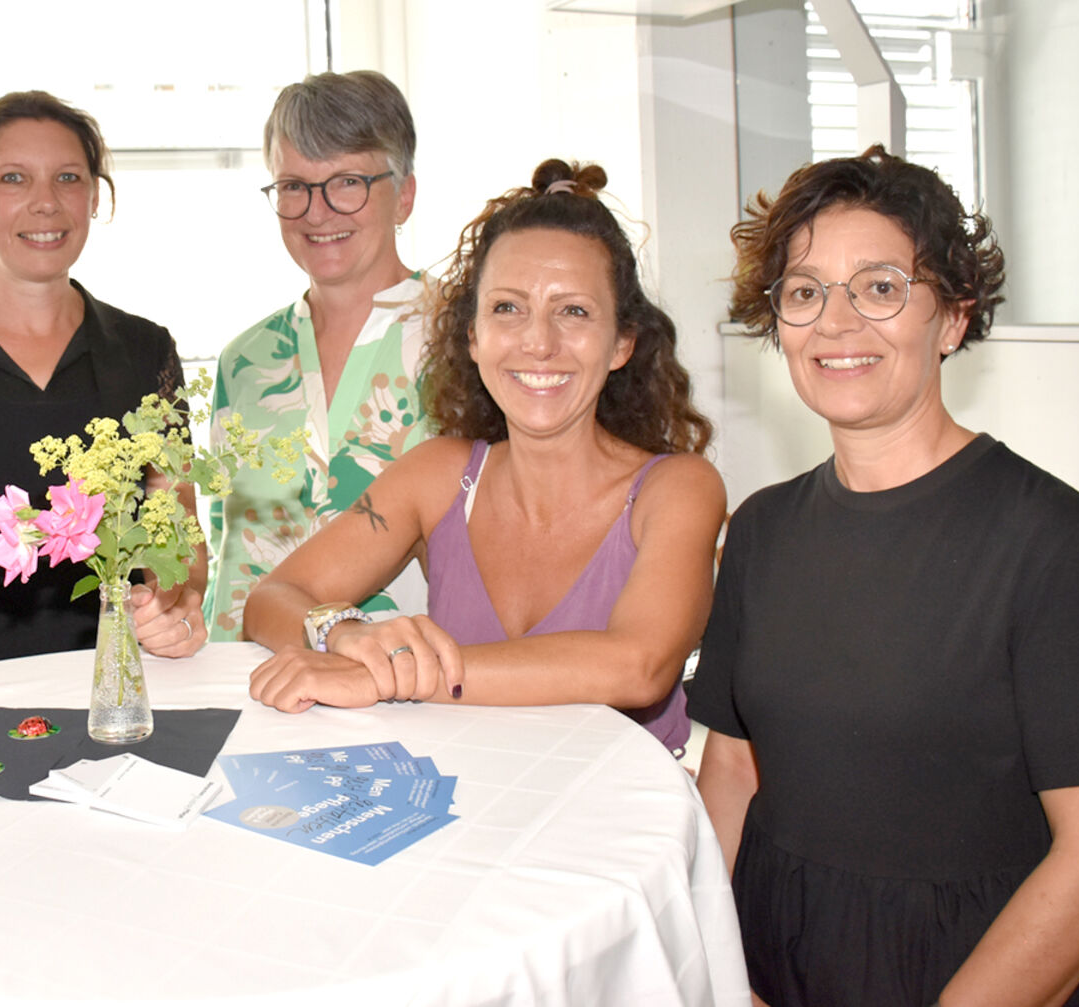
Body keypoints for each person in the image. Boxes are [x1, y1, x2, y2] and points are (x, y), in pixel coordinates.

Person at [690, 146, 1079, 1006]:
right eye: (804, 293)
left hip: (979, 972)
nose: (836, 323)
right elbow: (734, 769)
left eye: (880, 287)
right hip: (778, 959)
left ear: (952, 318)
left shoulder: (1056, 542)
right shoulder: (760, 530)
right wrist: (717, 969)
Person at [242, 159, 724, 756]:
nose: (538, 342)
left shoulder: (677, 488)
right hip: (469, 806)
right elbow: (272, 598)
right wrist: (342, 634)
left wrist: (392, 674)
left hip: (625, 827)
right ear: (472, 337)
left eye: (573, 311)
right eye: (507, 308)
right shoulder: (437, 475)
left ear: (622, 342)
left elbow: (638, 666)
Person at [0, 91, 202, 665]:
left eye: (68, 178)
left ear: (94, 196)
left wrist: (170, 606)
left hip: (118, 680)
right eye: (13, 179)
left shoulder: (147, 350)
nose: (45, 203)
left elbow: (178, 529)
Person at [206, 70, 433, 641]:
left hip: (407, 679)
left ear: (403, 195)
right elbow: (228, 551)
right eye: (293, 186)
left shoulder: (467, 345)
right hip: (251, 680)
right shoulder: (245, 362)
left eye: (348, 182)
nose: (317, 211)